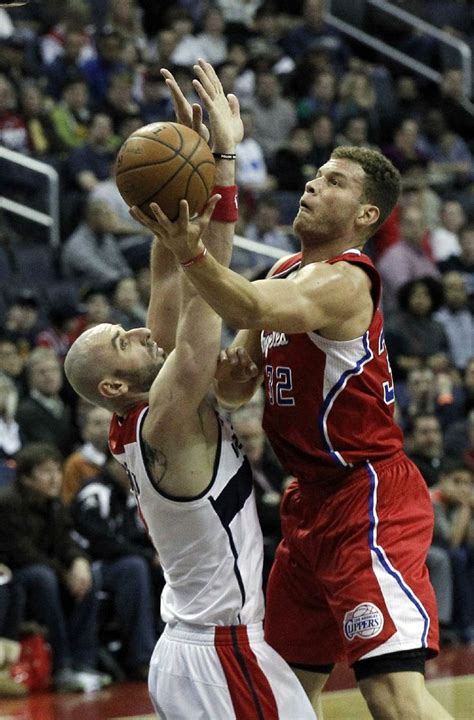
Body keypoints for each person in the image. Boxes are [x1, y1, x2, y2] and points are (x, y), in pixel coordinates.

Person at [155, 62, 451, 720]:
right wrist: (232, 379)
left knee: (393, 695)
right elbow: (241, 379)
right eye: (316, 176)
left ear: (365, 214)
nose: (314, 186)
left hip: (367, 499)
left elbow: (254, 307)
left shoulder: (344, 281)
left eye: (335, 182)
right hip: (308, 508)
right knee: (281, 689)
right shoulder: (288, 267)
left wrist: (195, 252)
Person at [64, 59, 315, 720]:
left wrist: (183, 180)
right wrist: (225, 165)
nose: (141, 334)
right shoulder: (168, 415)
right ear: (116, 384)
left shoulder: (146, 407)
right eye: (125, 340)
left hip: (203, 649)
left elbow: (171, 289)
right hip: (218, 654)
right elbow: (207, 300)